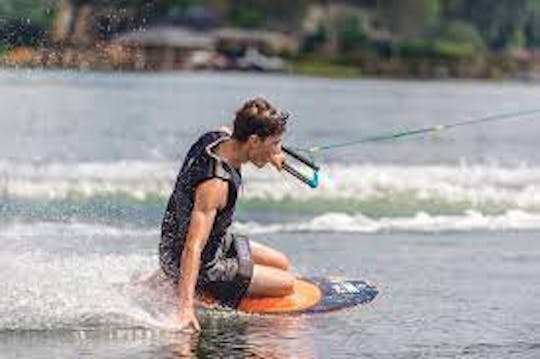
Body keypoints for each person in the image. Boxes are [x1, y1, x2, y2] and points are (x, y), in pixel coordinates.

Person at [159, 98, 295, 331]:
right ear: (253, 141)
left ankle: (165, 274)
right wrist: (185, 308)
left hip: (192, 243)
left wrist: (269, 155)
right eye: (275, 143)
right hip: (204, 264)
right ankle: (182, 283)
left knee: (281, 262)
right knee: (287, 283)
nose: (278, 150)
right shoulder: (215, 185)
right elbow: (193, 245)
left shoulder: (215, 138)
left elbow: (231, 130)